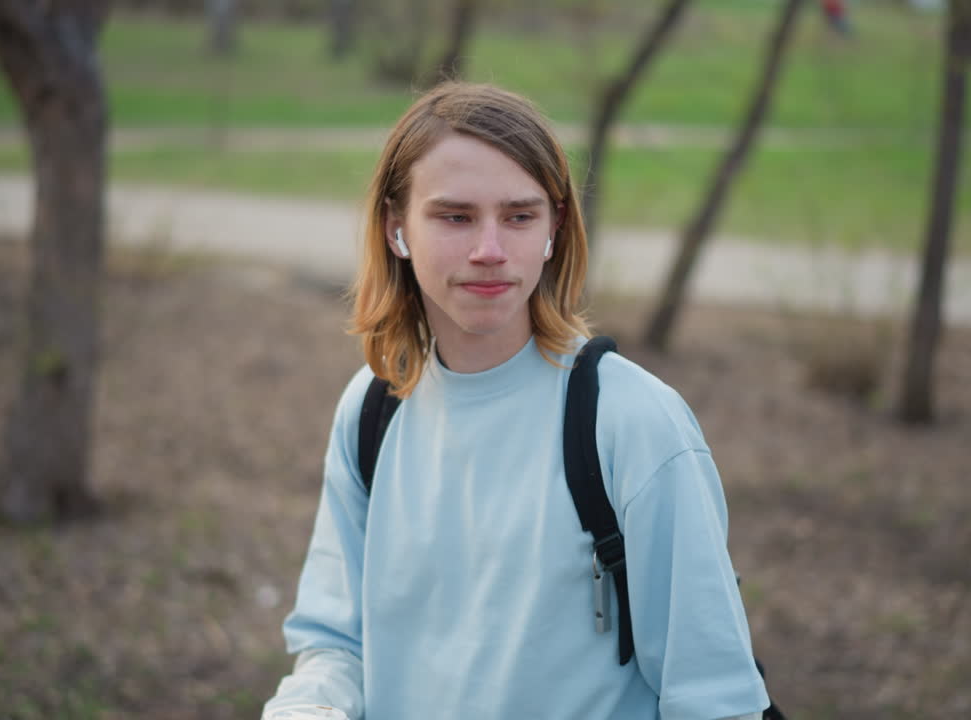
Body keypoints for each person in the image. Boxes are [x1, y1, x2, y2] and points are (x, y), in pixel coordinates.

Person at [260, 82, 770, 720]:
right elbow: (337, 644)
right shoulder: (373, 408)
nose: (490, 250)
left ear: (555, 226)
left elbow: (715, 697)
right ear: (397, 229)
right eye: (455, 216)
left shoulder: (631, 421)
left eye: (520, 216)